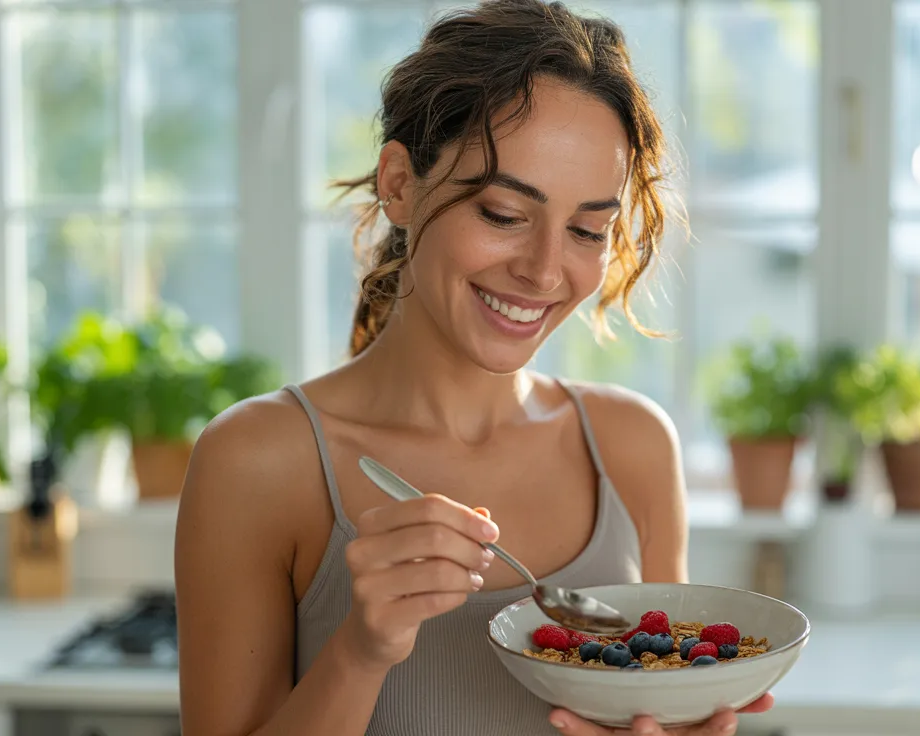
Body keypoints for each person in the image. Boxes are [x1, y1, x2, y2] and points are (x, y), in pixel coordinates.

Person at [174, 1, 774, 734]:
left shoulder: (632, 447)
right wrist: (362, 651)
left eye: (588, 230)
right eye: (502, 214)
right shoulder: (259, 461)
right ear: (399, 183)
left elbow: (656, 697)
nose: (545, 270)